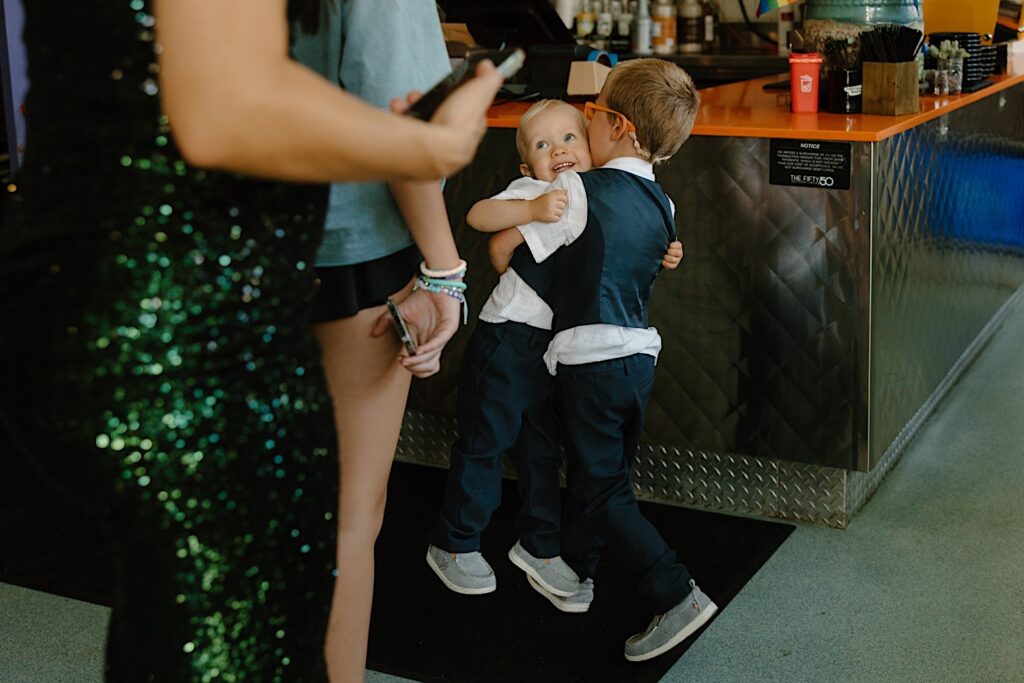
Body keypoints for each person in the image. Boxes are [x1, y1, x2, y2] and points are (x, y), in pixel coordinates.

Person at [0, 1, 502, 680]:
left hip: (87, 271)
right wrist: (435, 195)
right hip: (203, 301)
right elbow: (233, 102)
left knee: (179, 592)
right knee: (322, 542)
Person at [489, 59, 716, 662]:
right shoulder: (663, 202)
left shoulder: (580, 190)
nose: (579, 125)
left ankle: (676, 592)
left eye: (587, 116)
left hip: (589, 358)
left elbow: (508, 251)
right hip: (638, 359)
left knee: (600, 488)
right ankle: (578, 572)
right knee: (604, 474)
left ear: (614, 125)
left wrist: (513, 219)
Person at [426, 100, 682, 610]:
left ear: (593, 146)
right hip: (507, 338)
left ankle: (540, 546)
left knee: (542, 451)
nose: (558, 151)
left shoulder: (598, 194)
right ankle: (455, 542)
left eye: (569, 139)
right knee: (485, 441)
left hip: (551, 351)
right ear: (528, 168)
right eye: (542, 146)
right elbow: (479, 217)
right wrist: (530, 209)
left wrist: (668, 250)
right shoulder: (538, 193)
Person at [289, 3, 472, 680]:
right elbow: (408, 124)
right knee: (343, 517)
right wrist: (444, 273)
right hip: (346, 250)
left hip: (210, 246)